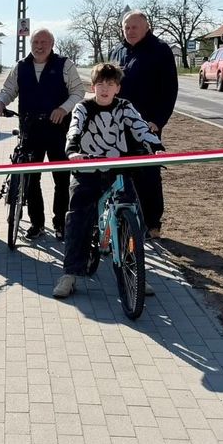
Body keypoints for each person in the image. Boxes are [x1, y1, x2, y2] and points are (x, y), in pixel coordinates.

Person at [53, 64, 162, 299]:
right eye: (100, 84)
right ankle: (70, 274)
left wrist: (156, 145)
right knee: (78, 218)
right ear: (93, 86)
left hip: (118, 169)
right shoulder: (84, 107)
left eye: (110, 84)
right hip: (87, 168)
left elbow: (140, 126)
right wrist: (72, 149)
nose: (105, 89)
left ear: (117, 88)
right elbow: (74, 128)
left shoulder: (125, 106)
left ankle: (136, 271)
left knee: (135, 217)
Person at [0, 27, 86, 240]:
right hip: (30, 129)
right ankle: (37, 223)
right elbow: (8, 90)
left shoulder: (65, 65)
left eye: (44, 42)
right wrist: (0, 101)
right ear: (30, 44)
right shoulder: (21, 66)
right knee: (31, 179)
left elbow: (79, 92)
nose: (39, 46)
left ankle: (60, 222)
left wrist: (63, 109)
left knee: (61, 179)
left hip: (59, 130)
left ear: (52, 44)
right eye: (35, 43)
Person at [109, 11, 177, 240]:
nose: (130, 31)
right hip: (117, 126)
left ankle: (152, 224)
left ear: (146, 27)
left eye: (134, 27)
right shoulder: (117, 51)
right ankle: (123, 220)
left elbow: (169, 91)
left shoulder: (160, 51)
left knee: (148, 175)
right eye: (126, 28)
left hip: (147, 124)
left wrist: (158, 121)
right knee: (118, 173)